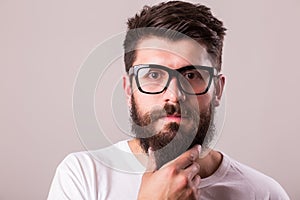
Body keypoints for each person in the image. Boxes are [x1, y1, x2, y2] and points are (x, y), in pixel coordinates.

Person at [48, 1, 290, 199]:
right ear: (128, 89)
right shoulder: (82, 177)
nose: (173, 96)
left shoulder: (265, 194)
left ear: (217, 90)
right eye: (153, 75)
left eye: (191, 75)